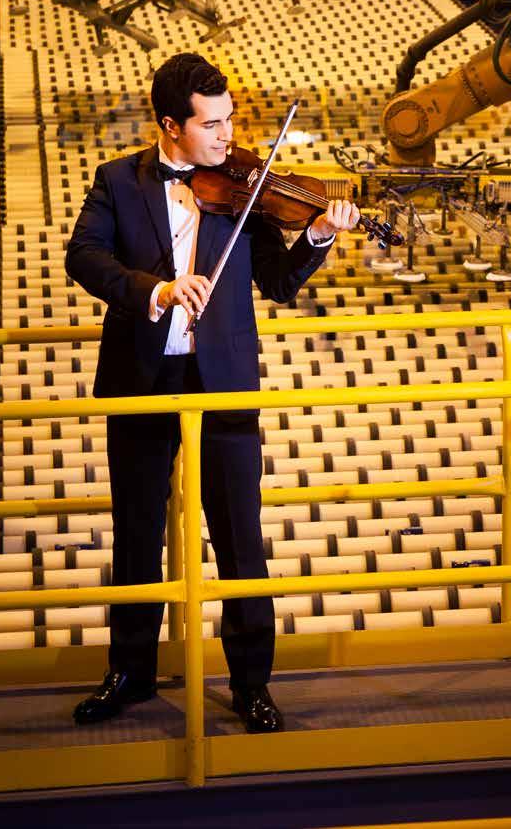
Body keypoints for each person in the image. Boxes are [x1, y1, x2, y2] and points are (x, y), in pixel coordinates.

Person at [65, 52, 359, 732]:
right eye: (211, 124)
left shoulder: (246, 185)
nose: (227, 137)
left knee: (240, 539)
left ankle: (253, 683)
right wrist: (157, 290)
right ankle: (129, 673)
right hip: (144, 381)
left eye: (230, 120)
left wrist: (316, 235)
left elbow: (280, 282)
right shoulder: (117, 181)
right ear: (170, 125)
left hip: (223, 381)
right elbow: (84, 255)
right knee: (136, 535)